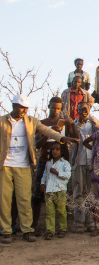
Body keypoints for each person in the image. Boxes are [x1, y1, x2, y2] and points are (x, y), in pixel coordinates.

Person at [0, 95, 77, 244]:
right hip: (6, 165)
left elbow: (47, 131)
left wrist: (62, 138)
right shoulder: (2, 121)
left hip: (23, 165)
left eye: (26, 108)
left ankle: (27, 230)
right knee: (5, 199)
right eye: (22, 107)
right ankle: (6, 231)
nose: (24, 110)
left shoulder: (31, 121)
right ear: (14, 106)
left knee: (25, 198)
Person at [33, 97, 76, 234]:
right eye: (53, 107)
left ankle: (63, 227)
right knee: (39, 194)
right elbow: (37, 145)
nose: (56, 110)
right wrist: (50, 131)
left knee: (62, 193)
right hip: (45, 161)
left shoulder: (64, 122)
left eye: (58, 108)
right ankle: (35, 226)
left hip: (62, 163)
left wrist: (71, 124)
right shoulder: (42, 123)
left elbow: (75, 138)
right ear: (48, 106)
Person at [70, 101, 99, 233]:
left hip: (92, 162)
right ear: (76, 110)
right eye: (81, 109)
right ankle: (79, 222)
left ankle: (91, 222)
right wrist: (81, 121)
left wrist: (90, 117)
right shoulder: (75, 123)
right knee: (79, 192)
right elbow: (74, 133)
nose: (83, 111)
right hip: (79, 162)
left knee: (92, 193)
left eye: (86, 109)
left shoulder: (94, 123)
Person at [40, 142, 71, 240]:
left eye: (57, 149)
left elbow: (67, 175)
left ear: (62, 152)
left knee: (61, 211)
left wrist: (57, 172)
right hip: (49, 191)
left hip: (60, 191)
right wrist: (42, 183)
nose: (55, 151)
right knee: (49, 212)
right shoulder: (48, 163)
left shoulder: (65, 163)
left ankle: (63, 229)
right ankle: (50, 230)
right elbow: (45, 174)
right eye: (53, 149)